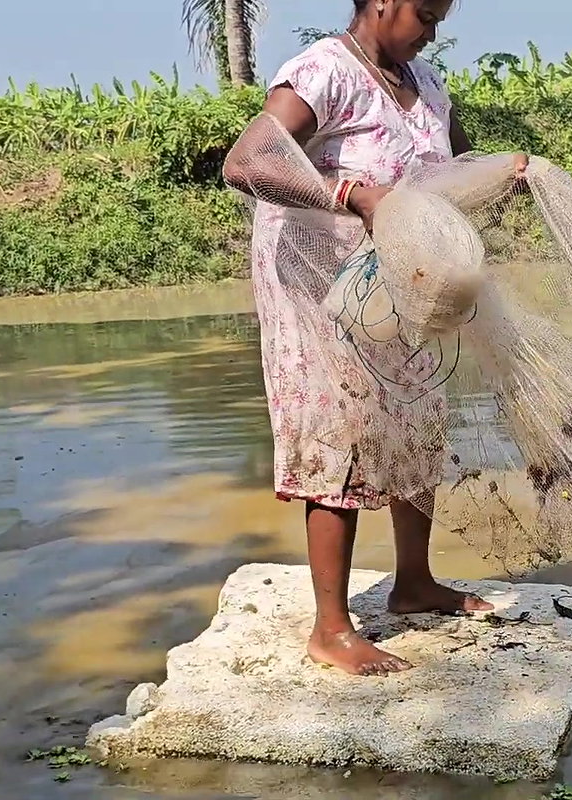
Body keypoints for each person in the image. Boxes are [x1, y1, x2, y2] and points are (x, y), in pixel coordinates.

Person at [222, 0, 528, 676]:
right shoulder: (324, 71)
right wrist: (348, 195)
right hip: (319, 291)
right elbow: (246, 164)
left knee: (417, 418)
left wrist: (498, 174)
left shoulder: (430, 87)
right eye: (424, 12)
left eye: (441, 17)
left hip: (398, 283)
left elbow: (446, 173)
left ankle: (413, 583)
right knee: (343, 435)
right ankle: (330, 628)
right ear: (380, 1)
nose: (432, 30)